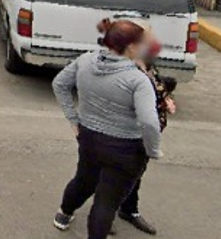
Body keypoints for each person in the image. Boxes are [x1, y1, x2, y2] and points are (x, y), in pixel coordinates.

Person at [51, 19, 162, 239]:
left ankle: (63, 214)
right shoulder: (137, 80)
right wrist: (153, 150)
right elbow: (149, 122)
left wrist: (74, 120)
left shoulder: (85, 60)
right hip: (126, 148)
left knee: (83, 180)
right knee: (106, 201)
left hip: (89, 138)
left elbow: (59, 84)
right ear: (131, 47)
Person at [118, 31, 178, 235]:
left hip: (146, 133)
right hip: (127, 130)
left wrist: (166, 99)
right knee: (114, 173)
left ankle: (129, 209)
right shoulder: (126, 70)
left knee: (136, 173)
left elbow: (159, 89)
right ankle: (104, 211)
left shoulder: (150, 68)